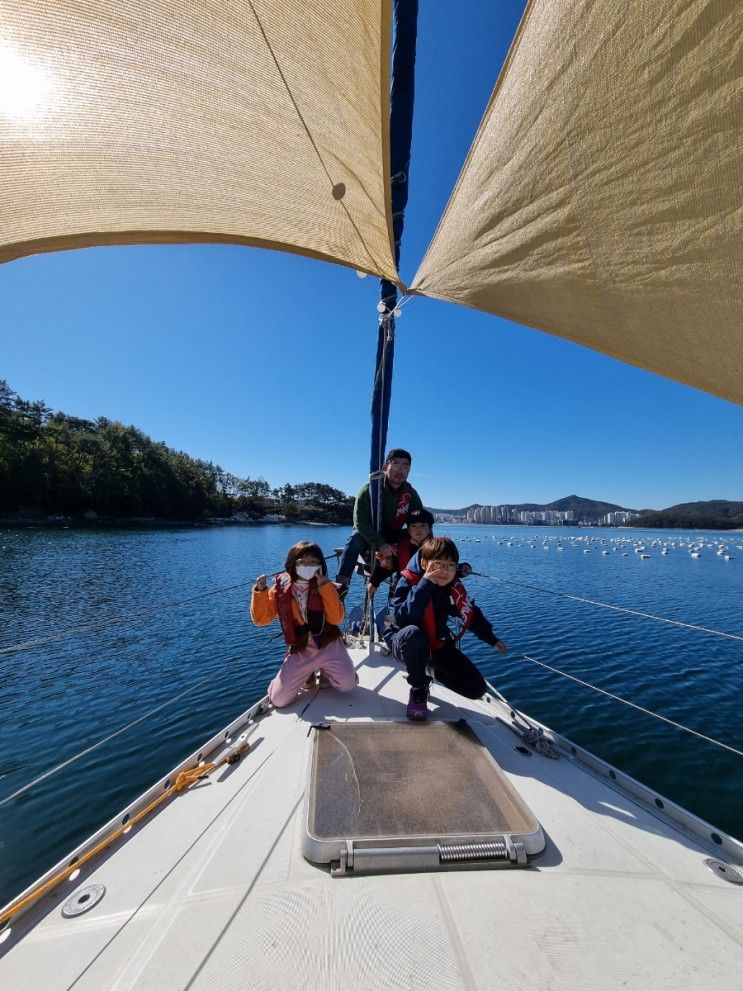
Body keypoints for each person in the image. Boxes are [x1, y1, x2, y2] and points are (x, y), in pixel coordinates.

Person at [389, 536, 507, 720]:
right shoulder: (407, 580)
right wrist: (425, 584)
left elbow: (471, 614)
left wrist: (491, 639)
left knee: (476, 688)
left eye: (451, 565)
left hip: (435, 644)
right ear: (424, 563)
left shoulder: (451, 588)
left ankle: (429, 669)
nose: (444, 571)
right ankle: (419, 687)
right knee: (414, 635)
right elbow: (403, 618)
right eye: (438, 564)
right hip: (404, 642)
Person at [251, 541, 358, 707]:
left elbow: (337, 619)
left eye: (313, 561)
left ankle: (325, 671)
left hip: (328, 642)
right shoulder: (280, 589)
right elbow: (261, 619)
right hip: (301, 647)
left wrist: (324, 587)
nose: (308, 565)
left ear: (320, 564)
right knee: (278, 699)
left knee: (348, 684)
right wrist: (260, 592)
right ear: (293, 563)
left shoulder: (327, 585)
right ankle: (306, 672)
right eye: (302, 561)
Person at [335, 448, 424, 594]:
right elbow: (360, 521)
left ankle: (399, 592)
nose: (400, 470)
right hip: (367, 534)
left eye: (405, 466)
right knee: (354, 540)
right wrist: (379, 543)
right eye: (395, 464)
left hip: (393, 534)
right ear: (385, 467)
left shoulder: (411, 494)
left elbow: (420, 520)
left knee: (411, 544)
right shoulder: (370, 489)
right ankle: (340, 590)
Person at [367, 508, 435, 594]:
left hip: (427, 591)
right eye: (414, 526)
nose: (418, 530)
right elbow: (388, 567)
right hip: (403, 588)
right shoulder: (399, 547)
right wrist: (374, 582)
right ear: (408, 529)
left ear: (430, 528)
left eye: (423, 526)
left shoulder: (436, 549)